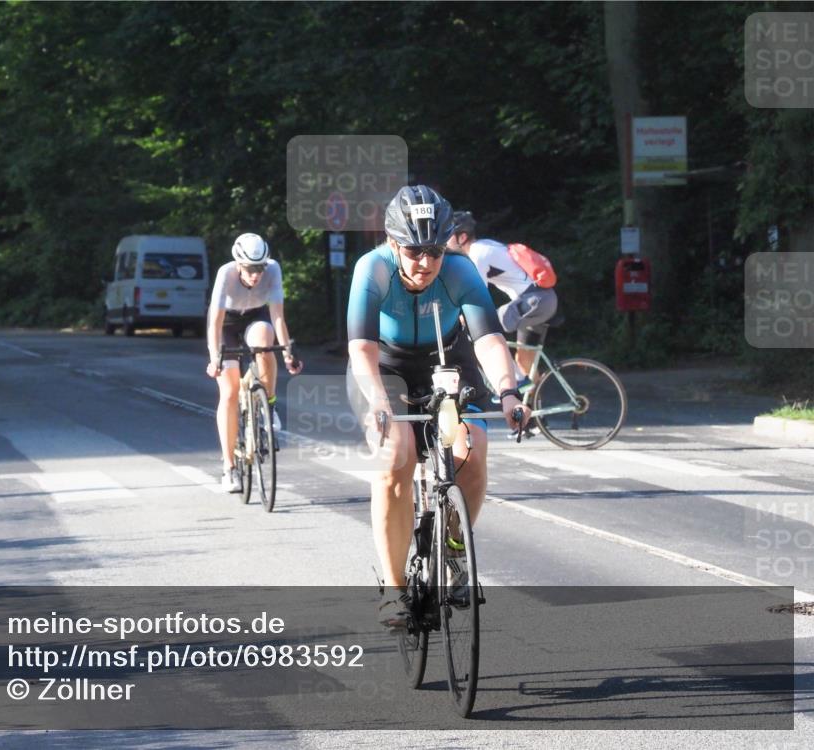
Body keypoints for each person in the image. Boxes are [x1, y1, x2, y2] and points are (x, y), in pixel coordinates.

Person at [346, 186, 530, 629]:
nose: (425, 262)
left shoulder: (462, 270)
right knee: (395, 459)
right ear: (393, 243)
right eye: (413, 251)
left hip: (448, 359)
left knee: (472, 447)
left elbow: (487, 339)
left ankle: (453, 550)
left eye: (434, 250)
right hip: (386, 367)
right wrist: (376, 402)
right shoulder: (371, 268)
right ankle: (394, 590)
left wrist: (507, 391)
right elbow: (362, 348)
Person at [206, 233, 302, 493]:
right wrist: (214, 356)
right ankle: (229, 468)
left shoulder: (273, 270)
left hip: (255, 318)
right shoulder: (225, 274)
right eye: (250, 269)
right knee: (229, 392)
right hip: (227, 324)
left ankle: (269, 406)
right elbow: (214, 322)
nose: (256, 275)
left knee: (264, 342)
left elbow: (278, 316)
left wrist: (287, 354)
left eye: (259, 268)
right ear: (238, 264)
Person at [446, 211, 558, 388]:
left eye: (449, 235)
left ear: (462, 237)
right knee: (524, 363)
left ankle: (511, 382)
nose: (446, 241)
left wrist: (460, 316)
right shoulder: (486, 245)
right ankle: (533, 407)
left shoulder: (477, 253)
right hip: (539, 300)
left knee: (485, 328)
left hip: (534, 300)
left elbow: (476, 296)